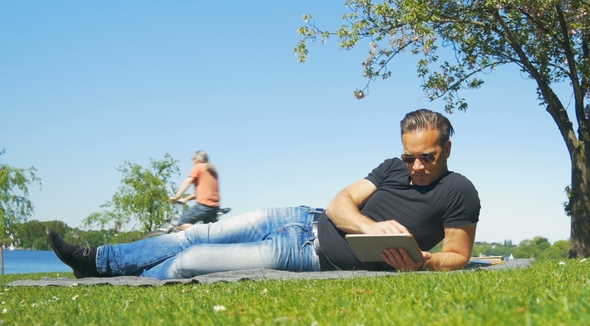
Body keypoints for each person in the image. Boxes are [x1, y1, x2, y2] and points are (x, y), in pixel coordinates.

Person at [46, 109, 480, 280]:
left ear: (447, 148)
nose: (416, 166)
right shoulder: (391, 167)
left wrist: (425, 261)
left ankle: (121, 279)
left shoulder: (459, 191)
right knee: (191, 236)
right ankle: (96, 260)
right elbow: (339, 203)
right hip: (300, 216)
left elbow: (458, 254)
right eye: (410, 157)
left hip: (308, 254)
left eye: (426, 157)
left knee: (190, 261)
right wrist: (371, 226)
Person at [169, 150, 221, 229]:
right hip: (214, 207)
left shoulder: (198, 167)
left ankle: (199, 234)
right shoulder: (212, 170)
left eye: (193, 159)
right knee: (210, 233)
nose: (192, 161)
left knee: (181, 223)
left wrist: (176, 197)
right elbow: (205, 192)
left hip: (203, 206)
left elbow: (187, 183)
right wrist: (186, 199)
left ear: (197, 159)